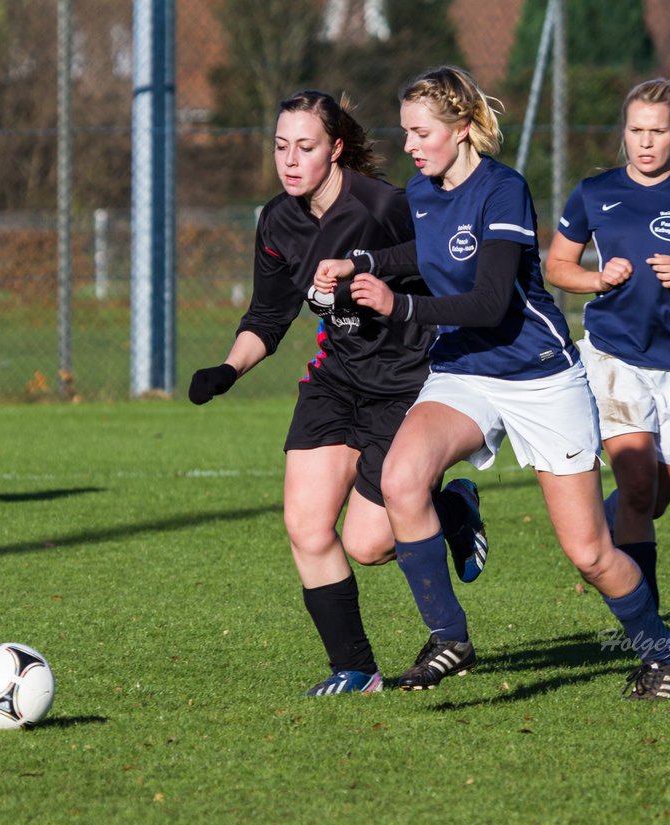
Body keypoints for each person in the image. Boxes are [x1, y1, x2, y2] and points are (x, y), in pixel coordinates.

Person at [315, 66, 670, 699]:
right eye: (404, 132)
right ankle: (449, 637)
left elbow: (489, 303)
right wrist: (362, 263)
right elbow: (426, 254)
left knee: (590, 553)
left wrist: (395, 306)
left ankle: (658, 650)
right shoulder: (423, 191)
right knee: (401, 482)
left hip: (540, 377)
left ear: (459, 129)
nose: (408, 145)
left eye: (419, 132)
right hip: (464, 372)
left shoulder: (503, 189)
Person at [188, 90, 487, 696]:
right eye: (280, 147)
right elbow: (269, 316)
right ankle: (355, 669)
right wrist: (227, 369)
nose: (290, 160)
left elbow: (445, 258)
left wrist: (374, 269)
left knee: (369, 544)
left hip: (406, 385)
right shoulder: (277, 220)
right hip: (336, 382)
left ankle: (454, 510)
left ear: (336, 149)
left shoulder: (385, 207)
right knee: (305, 526)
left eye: (305, 147)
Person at [543, 79, 670, 609]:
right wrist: (597, 279)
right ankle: (652, 635)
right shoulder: (595, 192)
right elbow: (557, 266)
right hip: (613, 355)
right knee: (637, 487)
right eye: (636, 130)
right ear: (624, 132)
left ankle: (593, 537)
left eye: (657, 131)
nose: (645, 141)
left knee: (654, 501)